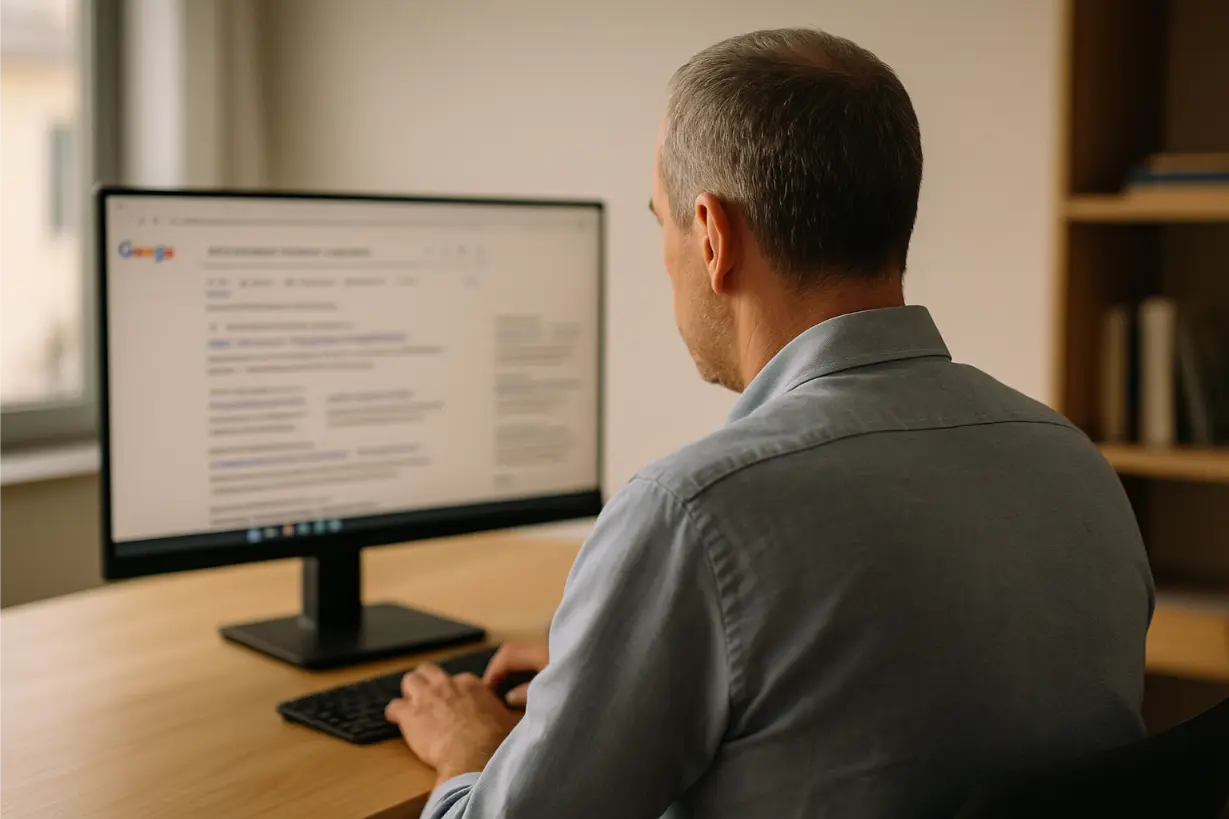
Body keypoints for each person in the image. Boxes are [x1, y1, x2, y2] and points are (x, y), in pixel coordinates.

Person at [384, 27, 1154, 819]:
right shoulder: (1074, 465)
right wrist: (623, 669)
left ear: (713, 236)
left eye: (663, 222)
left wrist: (473, 752)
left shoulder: (693, 512)